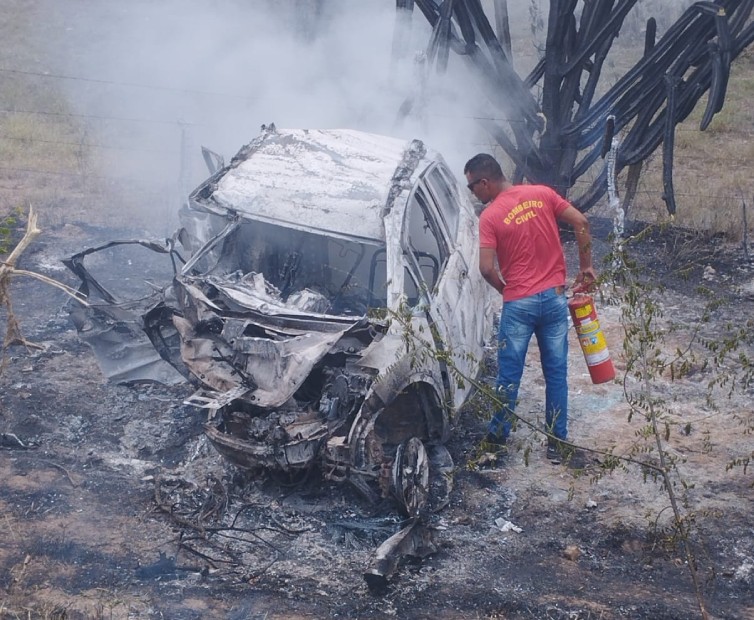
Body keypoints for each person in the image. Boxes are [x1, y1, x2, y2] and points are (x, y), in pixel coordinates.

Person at [463, 153, 597, 462]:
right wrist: (586, 267)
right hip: (554, 299)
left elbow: (485, 269)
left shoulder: (491, 216)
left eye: (472, 188)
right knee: (556, 373)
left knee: (509, 375)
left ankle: (496, 443)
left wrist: (505, 288)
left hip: (519, 305)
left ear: (484, 183)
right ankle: (555, 442)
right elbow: (582, 222)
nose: (473, 194)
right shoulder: (542, 193)